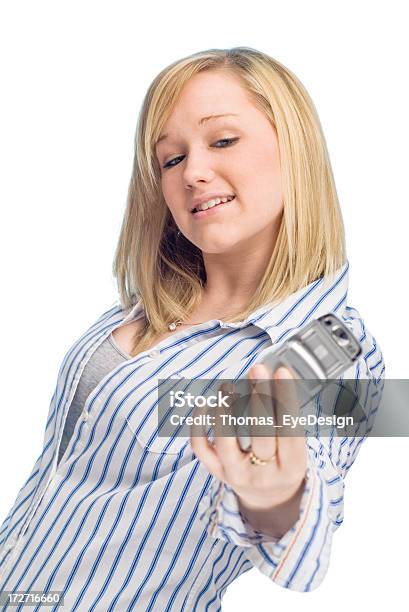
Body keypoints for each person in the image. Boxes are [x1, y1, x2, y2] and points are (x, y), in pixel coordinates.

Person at [0, 47, 385, 610]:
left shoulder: (326, 346)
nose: (194, 172)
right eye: (170, 159)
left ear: (295, 150)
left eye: (223, 141)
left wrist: (276, 497)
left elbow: (303, 539)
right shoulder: (139, 311)